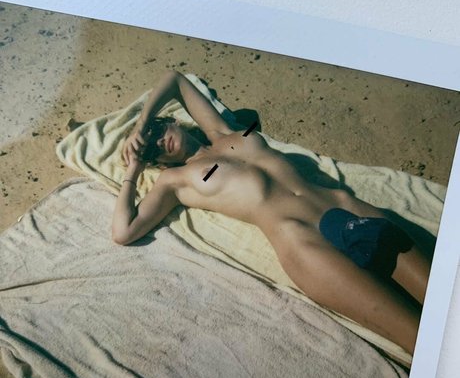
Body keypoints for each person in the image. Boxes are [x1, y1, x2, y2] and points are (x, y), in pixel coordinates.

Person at [112, 70, 430, 355]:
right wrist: (133, 169)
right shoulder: (176, 181)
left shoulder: (224, 131)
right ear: (157, 163)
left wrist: (141, 125)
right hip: (304, 243)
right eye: (151, 148)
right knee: (417, 336)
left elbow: (175, 79)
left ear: (171, 121)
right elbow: (123, 231)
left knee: (443, 302)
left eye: (156, 132)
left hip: (344, 206)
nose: (158, 142)